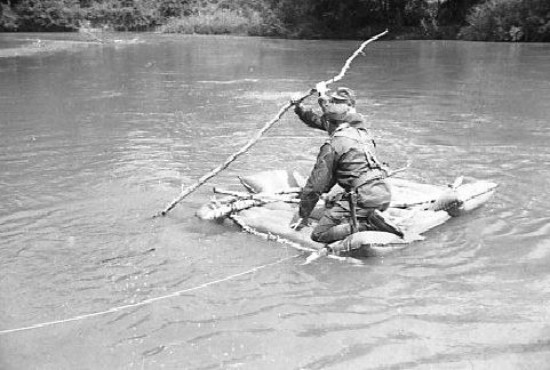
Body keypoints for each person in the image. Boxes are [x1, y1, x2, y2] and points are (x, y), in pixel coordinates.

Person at [290, 83, 403, 256]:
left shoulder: (334, 143)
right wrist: (301, 107)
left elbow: (315, 186)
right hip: (383, 193)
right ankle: (368, 215)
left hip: (364, 197)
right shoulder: (363, 133)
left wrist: (303, 213)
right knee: (334, 196)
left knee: (319, 233)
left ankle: (368, 224)